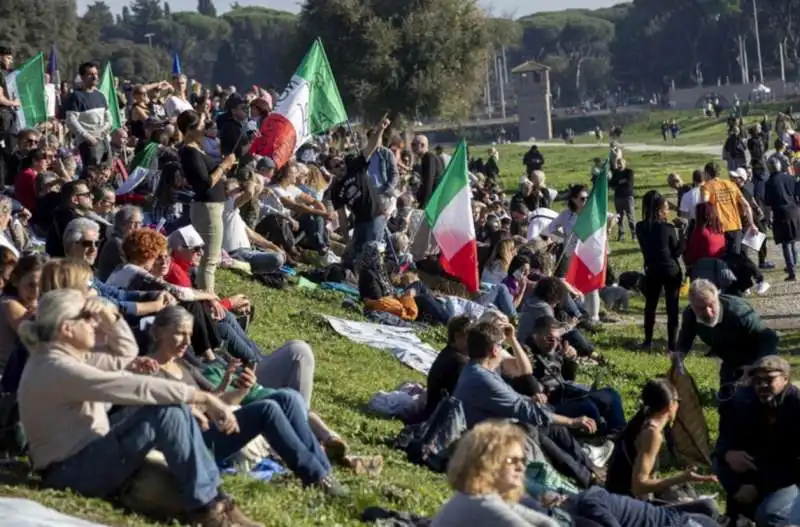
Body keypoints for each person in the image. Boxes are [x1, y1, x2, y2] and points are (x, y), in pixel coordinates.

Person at [16, 289, 263, 526]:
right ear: (67, 329)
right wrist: (204, 398)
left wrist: (109, 313)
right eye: (88, 319)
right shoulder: (58, 368)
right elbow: (134, 387)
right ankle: (209, 510)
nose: (94, 324)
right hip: (71, 471)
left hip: (86, 458)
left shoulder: (65, 356)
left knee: (171, 416)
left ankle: (217, 503)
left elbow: (127, 350)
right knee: (165, 409)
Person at [148, 305, 345, 495]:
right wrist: (202, 405)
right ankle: (316, 477)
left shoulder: (183, 367)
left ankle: (325, 471)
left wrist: (240, 390)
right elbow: (160, 415)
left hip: (212, 426)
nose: (186, 342)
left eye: (189, 335)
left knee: (288, 397)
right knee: (267, 409)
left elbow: (212, 400)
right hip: (191, 442)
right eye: (179, 333)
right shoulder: (149, 370)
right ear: (158, 333)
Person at [453, 321, 602, 489]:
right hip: (490, 440)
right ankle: (588, 480)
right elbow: (526, 411)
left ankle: (590, 469)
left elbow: (515, 396)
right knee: (537, 430)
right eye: (501, 346)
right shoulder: (482, 378)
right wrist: (573, 421)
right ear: (495, 350)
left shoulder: (477, 370)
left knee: (554, 428)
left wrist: (529, 400)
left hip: (495, 428)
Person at [606, 379, 719, 518]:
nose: (678, 405)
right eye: (678, 400)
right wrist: (682, 478)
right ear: (669, 406)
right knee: (708, 507)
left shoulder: (643, 419)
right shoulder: (651, 435)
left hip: (624, 498)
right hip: (628, 508)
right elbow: (639, 486)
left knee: (685, 489)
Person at [716, 356, 800, 526]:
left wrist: (757, 485)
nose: (762, 385)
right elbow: (725, 439)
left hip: (790, 477)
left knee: (769, 515)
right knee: (718, 462)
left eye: (769, 380)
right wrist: (727, 454)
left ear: (785, 379)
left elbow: (794, 463)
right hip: (757, 471)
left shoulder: (796, 407)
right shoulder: (746, 402)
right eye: (757, 380)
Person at [432, 420, 559, 527]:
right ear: (486, 462)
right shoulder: (483, 506)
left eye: (522, 460)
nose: (521, 467)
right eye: (511, 460)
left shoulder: (482, 497)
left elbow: (544, 521)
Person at [676, 279, 778, 396]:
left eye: (711, 305)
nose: (709, 312)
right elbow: (685, 338)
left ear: (717, 297)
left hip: (756, 357)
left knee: (750, 398)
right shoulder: (690, 315)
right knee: (727, 399)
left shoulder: (738, 312)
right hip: (730, 361)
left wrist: (756, 368)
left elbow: (769, 338)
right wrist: (678, 358)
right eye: (702, 308)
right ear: (692, 306)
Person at [177, 110, 237, 293]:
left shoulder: (197, 149)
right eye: (202, 124)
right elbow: (204, 184)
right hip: (207, 208)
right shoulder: (189, 152)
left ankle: (206, 294)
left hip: (211, 207)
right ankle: (208, 298)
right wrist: (223, 166)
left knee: (209, 258)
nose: (205, 127)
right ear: (189, 129)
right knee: (210, 259)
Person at [635, 191, 682, 352]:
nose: (668, 211)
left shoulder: (640, 227)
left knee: (650, 305)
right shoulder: (667, 228)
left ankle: (648, 341)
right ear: (660, 209)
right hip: (670, 269)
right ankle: (672, 346)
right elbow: (676, 252)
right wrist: (682, 232)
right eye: (666, 208)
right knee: (672, 307)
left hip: (652, 269)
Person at [64, 62, 112, 172]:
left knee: (106, 171)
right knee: (92, 173)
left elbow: (108, 118)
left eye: (96, 74)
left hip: (104, 140)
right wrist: (88, 137)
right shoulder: (76, 96)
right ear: (82, 77)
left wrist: (102, 133)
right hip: (89, 143)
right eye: (90, 74)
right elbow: (71, 121)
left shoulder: (100, 95)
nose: (95, 76)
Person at [700, 162, 754, 257]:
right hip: (735, 226)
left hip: (719, 228)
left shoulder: (706, 187)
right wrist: (752, 224)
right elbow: (746, 205)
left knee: (722, 258)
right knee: (735, 258)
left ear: (707, 173)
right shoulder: (731, 184)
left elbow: (703, 207)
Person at [425, 315, 471, 418]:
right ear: (458, 336)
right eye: (471, 338)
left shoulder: (448, 353)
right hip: (441, 418)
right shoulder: (459, 361)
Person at [764, 156, 800, 281]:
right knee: (793, 241)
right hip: (794, 211)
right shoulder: (790, 178)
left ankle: (792, 272)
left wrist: (768, 218)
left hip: (781, 213)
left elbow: (767, 203)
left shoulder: (769, 182)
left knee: (786, 244)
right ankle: (793, 265)